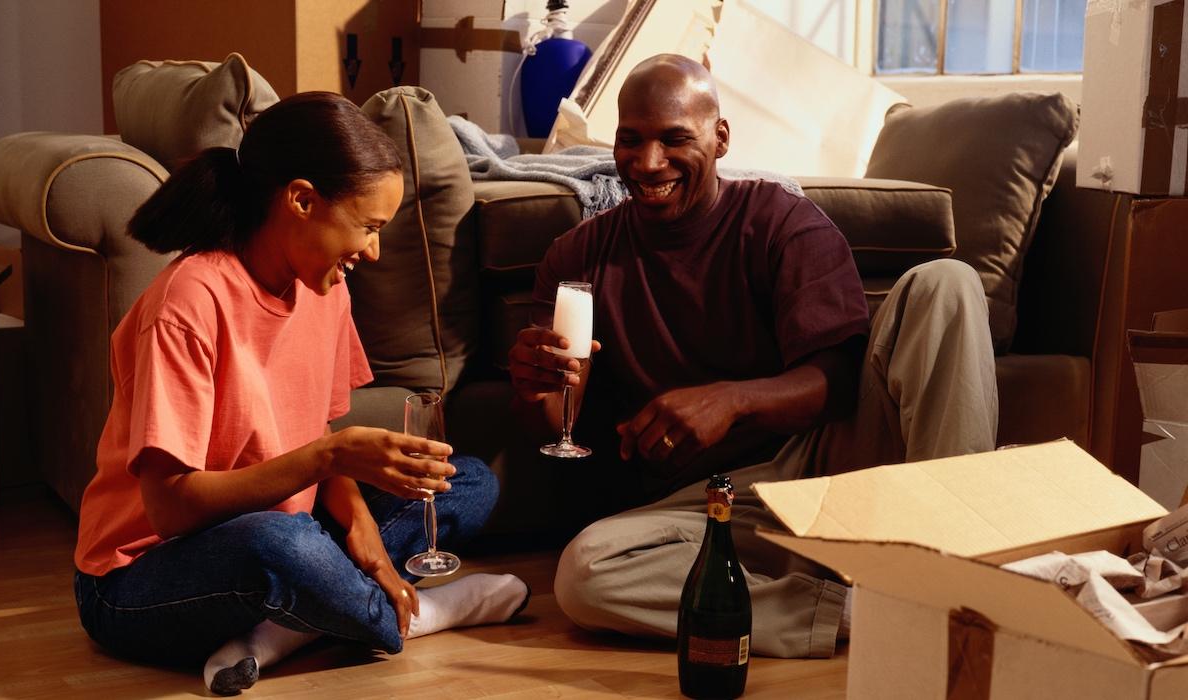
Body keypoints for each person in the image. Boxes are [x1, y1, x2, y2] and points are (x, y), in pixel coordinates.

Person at [507, 55, 997, 659]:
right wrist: (535, 390)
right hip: (718, 510)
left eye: (674, 139)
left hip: (825, 461)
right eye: (630, 140)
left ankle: (962, 570)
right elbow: (559, 422)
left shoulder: (783, 224)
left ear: (720, 138)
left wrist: (732, 400)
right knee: (584, 575)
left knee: (947, 282)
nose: (648, 162)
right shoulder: (577, 257)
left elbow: (840, 380)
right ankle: (858, 610)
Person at [73, 92, 529, 696]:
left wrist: (365, 535)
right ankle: (413, 618)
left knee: (464, 482)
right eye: (368, 227)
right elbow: (170, 508)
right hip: (140, 577)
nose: (372, 251)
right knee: (281, 541)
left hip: (278, 530)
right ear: (301, 200)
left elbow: (314, 435)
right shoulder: (189, 303)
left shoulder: (325, 289)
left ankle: (283, 627)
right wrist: (330, 459)